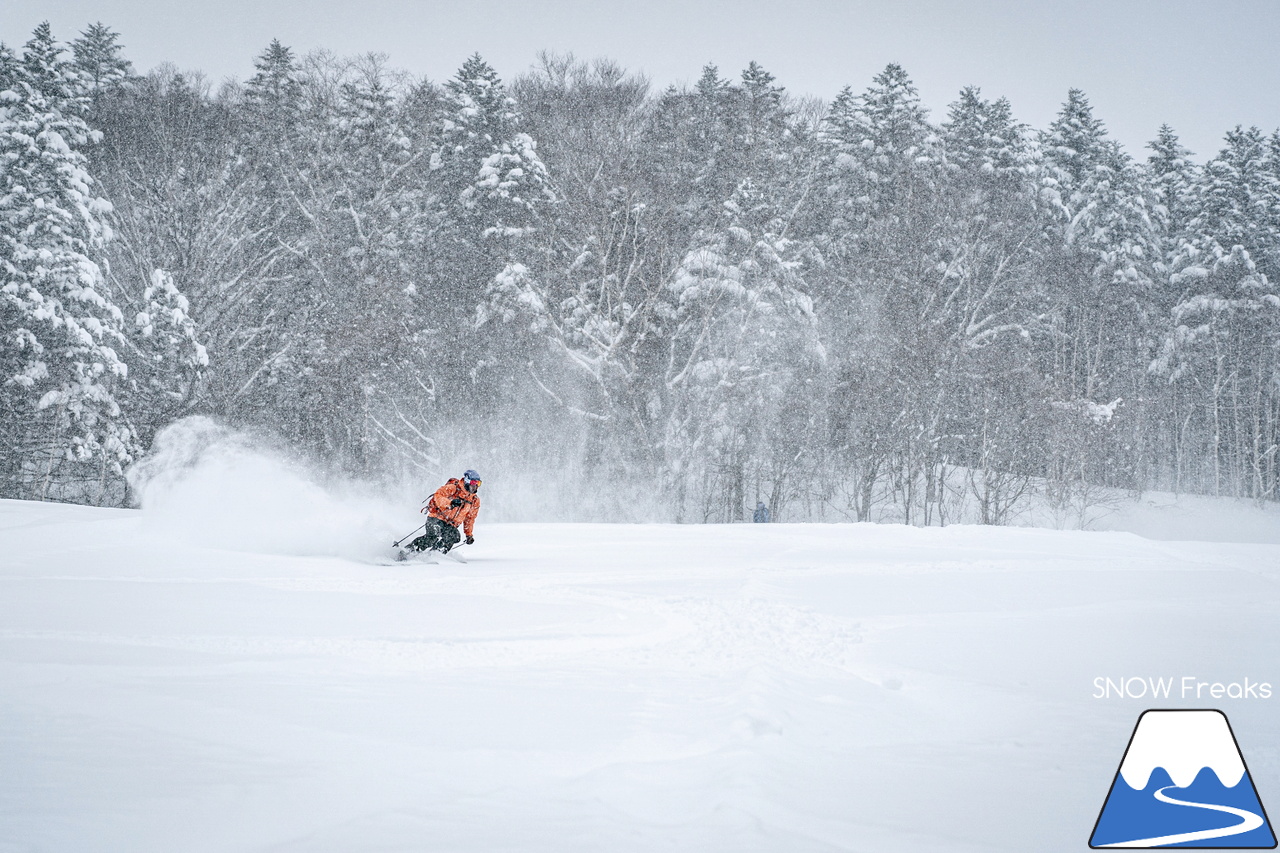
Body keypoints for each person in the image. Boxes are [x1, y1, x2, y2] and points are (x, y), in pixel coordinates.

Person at [408, 469, 482, 554]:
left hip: (450, 524)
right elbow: (438, 496)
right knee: (433, 536)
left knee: (454, 537)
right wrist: (450, 503)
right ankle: (408, 551)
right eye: (473, 483)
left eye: (478, 483)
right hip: (437, 517)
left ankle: (435, 554)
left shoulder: (474, 500)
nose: (475, 486)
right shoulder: (453, 488)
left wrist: (469, 535)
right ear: (466, 481)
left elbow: (470, 518)